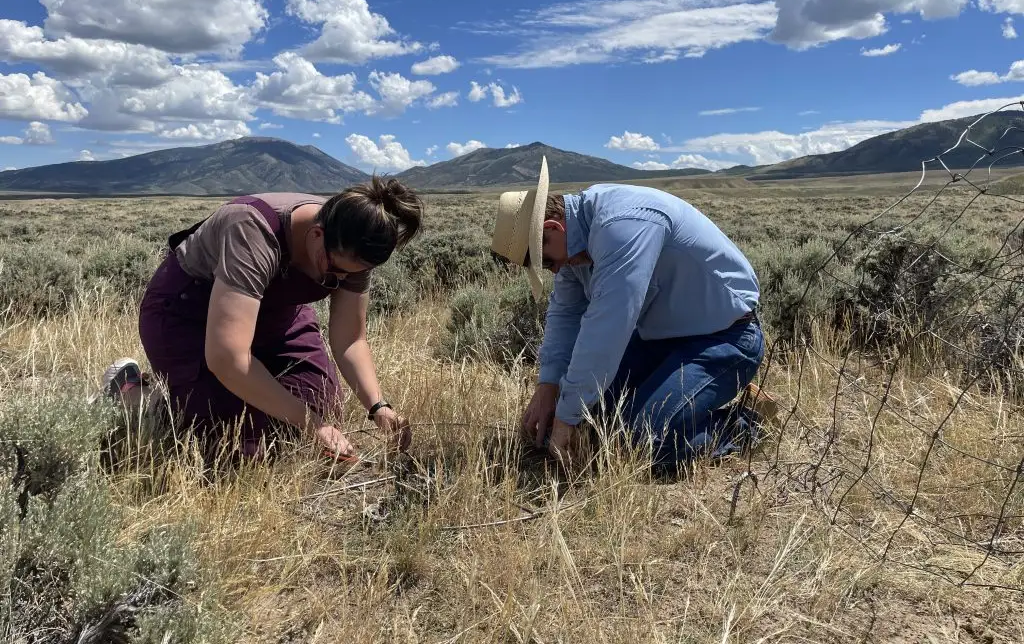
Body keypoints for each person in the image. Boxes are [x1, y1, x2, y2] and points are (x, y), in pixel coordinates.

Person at [102, 178, 422, 461]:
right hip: (187, 312)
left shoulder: (351, 241)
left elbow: (350, 338)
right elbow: (229, 358)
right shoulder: (252, 229)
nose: (338, 281)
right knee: (229, 437)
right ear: (316, 234)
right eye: (334, 272)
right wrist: (311, 424)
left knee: (319, 406)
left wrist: (378, 407)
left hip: (274, 312)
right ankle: (136, 394)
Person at [490, 156, 773, 471]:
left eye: (546, 262)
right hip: (659, 339)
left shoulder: (621, 227)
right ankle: (693, 397)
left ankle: (746, 421)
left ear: (552, 228)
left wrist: (565, 418)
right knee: (593, 421)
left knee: (645, 443)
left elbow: (607, 329)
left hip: (724, 338)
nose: (554, 271)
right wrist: (549, 386)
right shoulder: (573, 247)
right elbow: (565, 316)